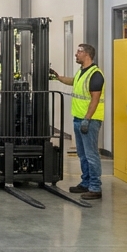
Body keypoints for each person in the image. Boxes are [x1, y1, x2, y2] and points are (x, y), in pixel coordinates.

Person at [50, 44, 105, 198]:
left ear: (87, 54)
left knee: (91, 154)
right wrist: (57, 76)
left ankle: (95, 187)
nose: (76, 54)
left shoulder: (95, 74)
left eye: (79, 52)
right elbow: (72, 81)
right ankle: (86, 183)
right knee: (82, 154)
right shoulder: (82, 72)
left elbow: (95, 99)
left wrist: (87, 119)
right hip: (78, 118)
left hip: (90, 120)